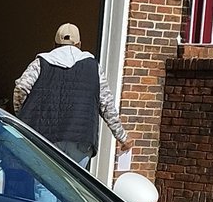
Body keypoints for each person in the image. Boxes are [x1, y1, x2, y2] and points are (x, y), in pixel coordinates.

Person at [11, 23, 127, 170]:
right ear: (79, 44)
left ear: (54, 44)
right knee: (72, 188)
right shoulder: (93, 66)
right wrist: (122, 137)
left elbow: (21, 88)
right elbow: (106, 104)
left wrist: (21, 113)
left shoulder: (41, 62)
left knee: (45, 186)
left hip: (45, 136)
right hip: (81, 138)